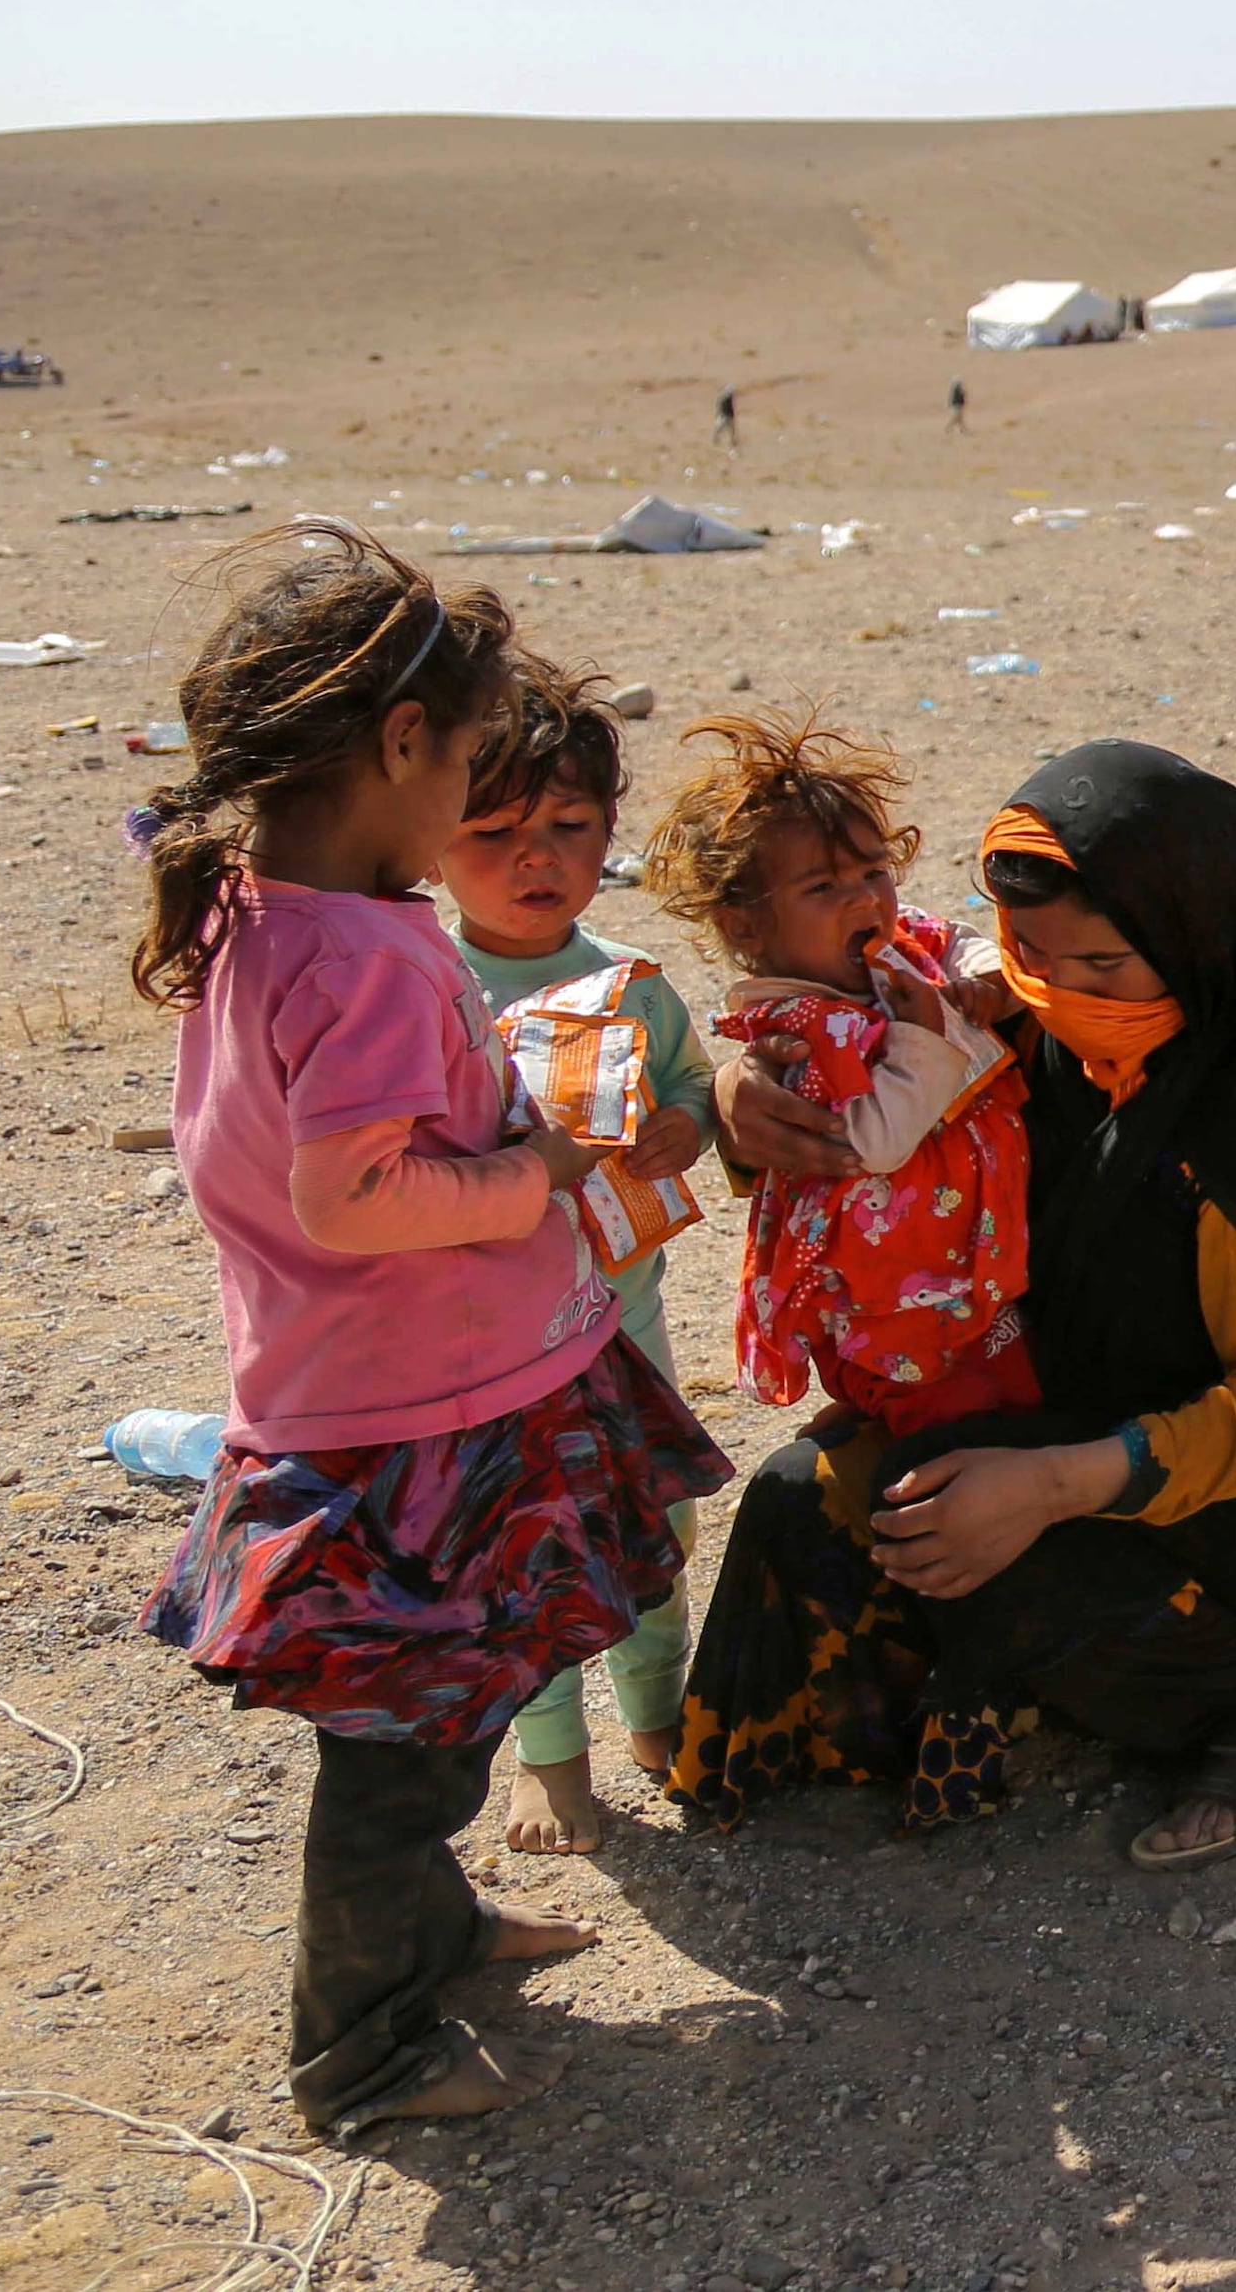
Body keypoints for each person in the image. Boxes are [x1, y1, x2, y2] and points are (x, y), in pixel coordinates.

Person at [129, 528, 728, 2130]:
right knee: (403, 1758)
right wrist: (532, 1164)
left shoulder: (266, 912)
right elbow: (357, 1195)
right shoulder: (362, 952)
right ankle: (363, 2047)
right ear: (404, 747)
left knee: (445, 1720)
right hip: (416, 1413)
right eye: (469, 758)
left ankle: (439, 1939)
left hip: (389, 1382)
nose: (477, 789)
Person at [675, 742, 1236, 1872]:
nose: (1057, 989)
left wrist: (1052, 1482)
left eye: (1104, 965)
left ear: (1190, 942)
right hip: (1062, 1408)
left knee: (993, 1534)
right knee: (806, 1494)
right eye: (1024, 954)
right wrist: (740, 1101)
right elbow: (886, 1132)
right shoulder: (1044, 1028)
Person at [436, 662, 725, 1855]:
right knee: (528, 1544)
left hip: (625, 1322)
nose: (533, 857)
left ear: (607, 832)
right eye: (493, 831)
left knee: (653, 1527)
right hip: (489, 1342)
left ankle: (659, 1721)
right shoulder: (429, 990)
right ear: (431, 836)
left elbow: (698, 1089)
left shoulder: (631, 987)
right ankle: (550, 1760)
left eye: (566, 827)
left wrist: (685, 1128)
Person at [640, 714, 1036, 1432]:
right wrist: (925, 1035)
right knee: (955, 1430)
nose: (863, 899)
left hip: (964, 1261)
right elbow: (875, 1141)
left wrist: (982, 982)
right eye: (823, 887)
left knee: (1016, 1388)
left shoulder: (898, 943)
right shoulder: (801, 1029)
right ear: (744, 925)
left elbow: (959, 942)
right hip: (897, 1297)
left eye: (872, 871)